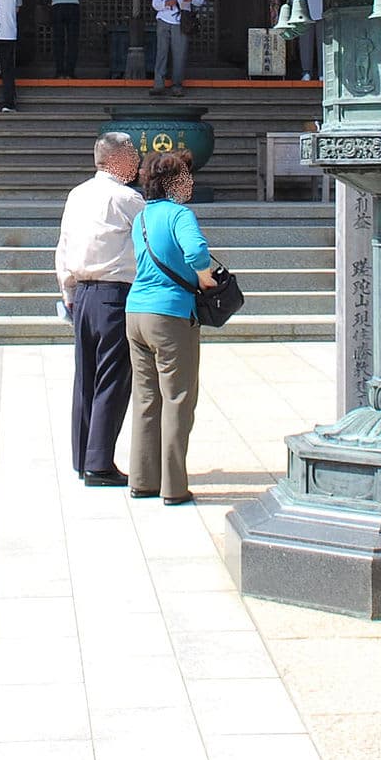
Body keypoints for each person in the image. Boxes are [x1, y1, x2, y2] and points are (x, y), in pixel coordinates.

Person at [126, 149, 217, 505]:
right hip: (171, 314)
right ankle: (174, 486)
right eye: (186, 177)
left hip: (136, 312)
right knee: (178, 398)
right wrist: (204, 276)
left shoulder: (141, 218)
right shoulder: (180, 214)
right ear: (173, 183)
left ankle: (142, 480)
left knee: (146, 398)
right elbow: (196, 252)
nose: (190, 183)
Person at [55, 131, 142, 487]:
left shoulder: (78, 194)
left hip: (82, 295)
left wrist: (68, 291)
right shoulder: (127, 199)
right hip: (114, 294)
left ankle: (83, 457)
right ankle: (99, 463)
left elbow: (64, 246)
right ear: (117, 160)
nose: (136, 161)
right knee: (112, 378)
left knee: (86, 378)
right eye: (132, 154)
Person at [150, 0, 204, 96]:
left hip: (181, 22)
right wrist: (166, 3)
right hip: (164, 19)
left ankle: (177, 85)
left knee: (179, 55)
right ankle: (158, 84)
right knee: (161, 53)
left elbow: (200, 0)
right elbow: (155, 4)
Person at [46, 0, 85, 78]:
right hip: (73, 7)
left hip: (57, 7)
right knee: (72, 41)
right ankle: (70, 72)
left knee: (58, 40)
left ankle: (59, 72)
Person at [293, 0, 324, 81]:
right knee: (305, 42)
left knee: (323, 42)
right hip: (304, 6)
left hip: (323, 5)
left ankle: (323, 72)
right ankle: (306, 72)